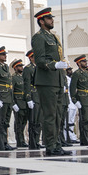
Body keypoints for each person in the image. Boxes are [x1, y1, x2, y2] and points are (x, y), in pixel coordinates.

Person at [31, 8, 71, 156]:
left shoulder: (53, 37)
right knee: (50, 115)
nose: (52, 20)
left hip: (57, 80)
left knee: (58, 115)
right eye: (49, 18)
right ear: (41, 21)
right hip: (46, 81)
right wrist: (54, 65)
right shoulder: (39, 37)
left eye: (51, 18)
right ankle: (50, 145)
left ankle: (57, 143)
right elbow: (40, 60)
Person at [70, 59, 88, 146]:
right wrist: (75, 100)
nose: (86, 63)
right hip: (82, 98)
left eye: (86, 61)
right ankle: (84, 140)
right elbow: (72, 88)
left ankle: (87, 137)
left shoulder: (86, 73)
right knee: (84, 120)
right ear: (79, 63)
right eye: (84, 62)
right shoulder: (76, 74)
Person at [25, 50, 41, 149]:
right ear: (31, 58)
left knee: (39, 121)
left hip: (39, 96)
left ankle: (37, 140)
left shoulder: (38, 67)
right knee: (33, 121)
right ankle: (32, 142)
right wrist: (28, 98)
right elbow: (26, 84)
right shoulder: (28, 69)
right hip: (33, 95)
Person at [12, 59, 29, 148]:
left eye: (22, 66)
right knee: (18, 123)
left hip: (24, 102)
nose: (22, 68)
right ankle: (19, 140)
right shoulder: (14, 78)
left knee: (23, 123)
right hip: (18, 103)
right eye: (19, 66)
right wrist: (13, 103)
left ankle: (23, 139)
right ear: (15, 68)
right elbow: (11, 91)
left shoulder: (23, 77)